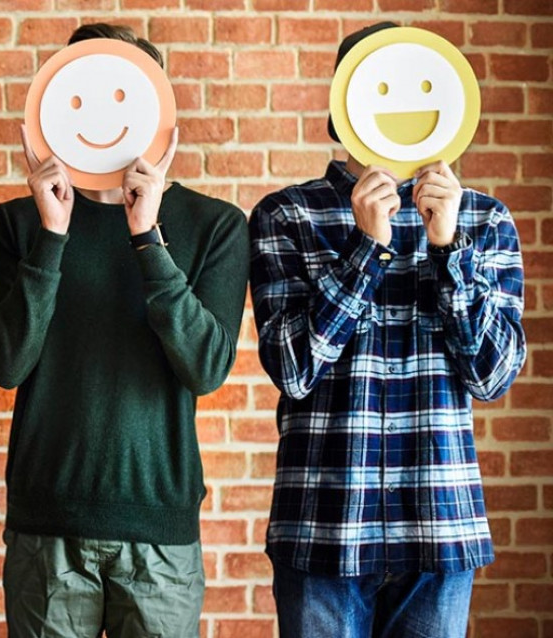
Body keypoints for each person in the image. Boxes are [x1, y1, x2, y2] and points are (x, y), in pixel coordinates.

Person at [249, 22, 527, 638]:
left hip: (440, 526)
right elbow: (294, 369)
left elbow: (494, 375)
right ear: (343, 103)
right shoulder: (286, 214)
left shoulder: (484, 220)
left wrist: (447, 246)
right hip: (322, 528)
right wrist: (365, 247)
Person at [0, 23, 251, 638]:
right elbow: (6, 365)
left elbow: (205, 367)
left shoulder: (215, 225)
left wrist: (147, 235)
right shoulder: (19, 224)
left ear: (160, 115)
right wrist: (53, 235)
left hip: (158, 533)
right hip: (48, 527)